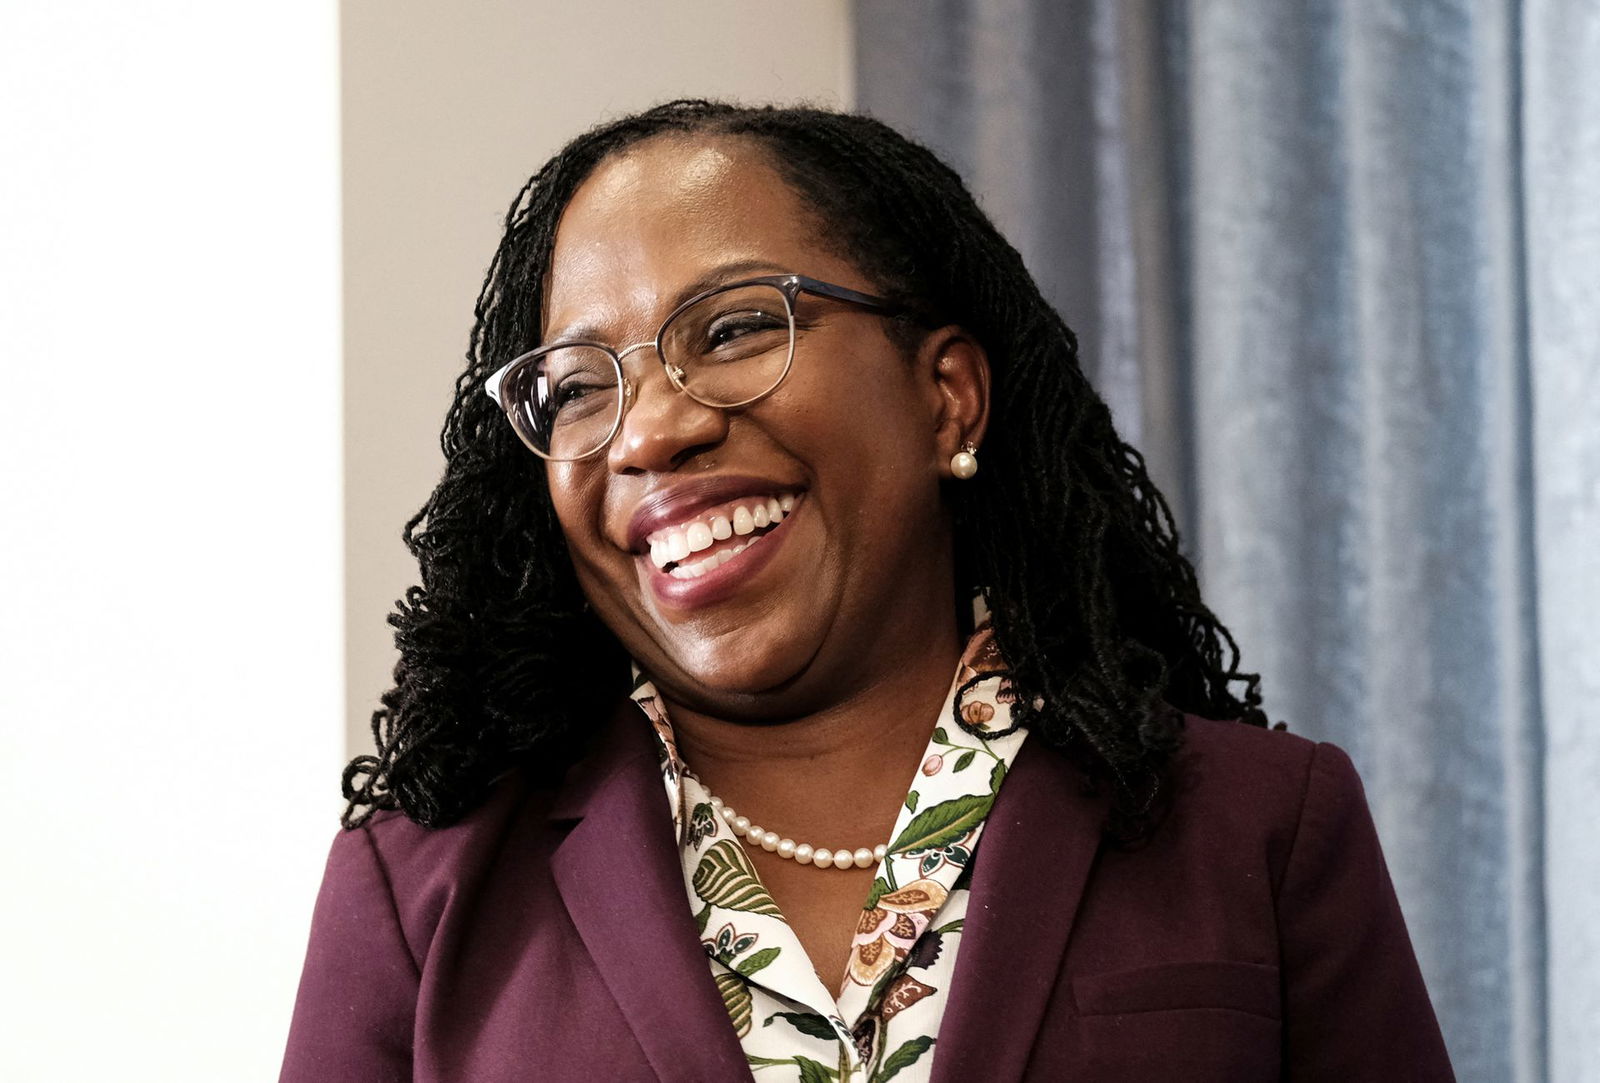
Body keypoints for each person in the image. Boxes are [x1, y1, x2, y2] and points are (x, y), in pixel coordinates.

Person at [281, 101, 1454, 1081]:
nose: (648, 431)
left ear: (947, 395)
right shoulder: (419, 896)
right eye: (579, 389)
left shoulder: (1259, 828)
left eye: (735, 326)